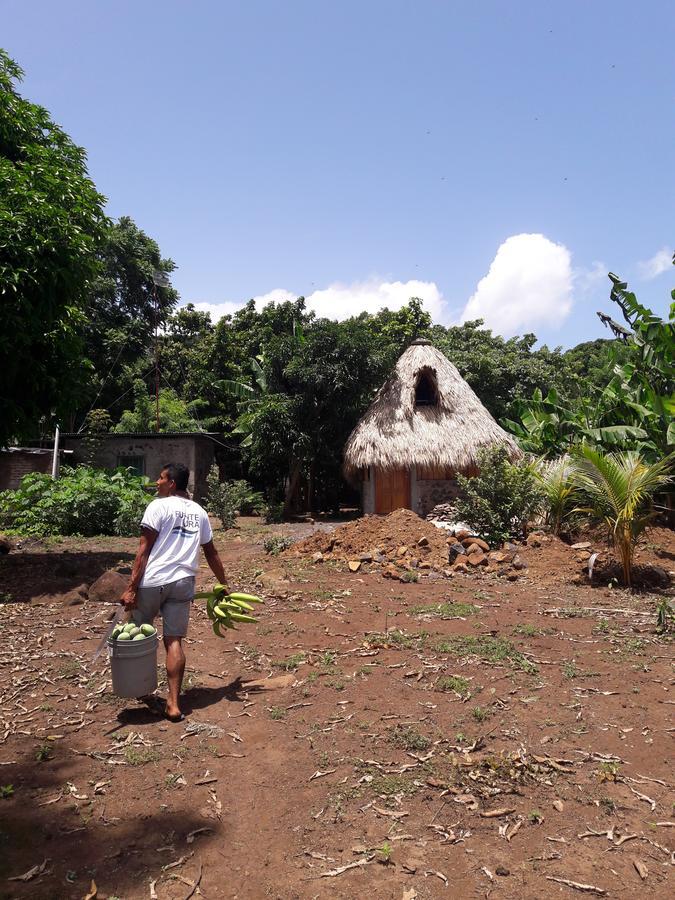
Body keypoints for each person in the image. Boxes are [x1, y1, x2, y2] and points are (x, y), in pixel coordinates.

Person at [120, 462, 229, 721]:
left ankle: (141, 689)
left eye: (160, 478)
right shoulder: (199, 512)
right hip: (183, 583)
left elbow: (143, 550)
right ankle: (174, 704)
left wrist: (131, 588)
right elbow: (211, 552)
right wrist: (224, 583)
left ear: (172, 484)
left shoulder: (158, 506)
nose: (157, 482)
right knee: (174, 641)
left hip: (153, 581)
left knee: (137, 633)